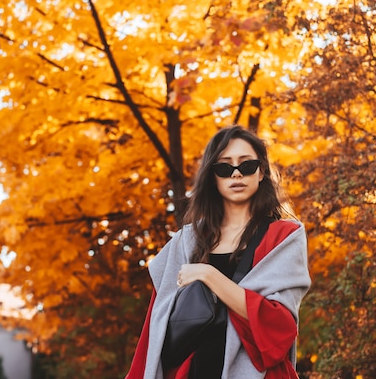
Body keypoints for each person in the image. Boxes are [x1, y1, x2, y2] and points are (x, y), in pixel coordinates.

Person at [125, 125, 311, 379]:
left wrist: (208, 274)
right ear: (213, 177)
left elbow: (279, 326)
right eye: (224, 168)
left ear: (261, 172)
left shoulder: (284, 236)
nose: (236, 174)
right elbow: (154, 331)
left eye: (246, 166)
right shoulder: (184, 242)